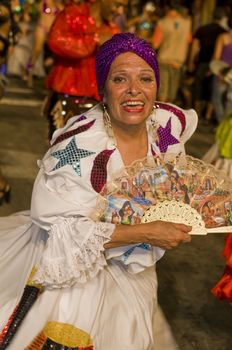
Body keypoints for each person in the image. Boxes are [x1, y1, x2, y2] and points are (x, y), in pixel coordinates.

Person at [0, 33, 198, 349]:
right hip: (75, 272)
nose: (135, 90)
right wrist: (146, 232)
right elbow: (63, 230)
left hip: (137, 270)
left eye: (146, 78)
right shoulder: (78, 148)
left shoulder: (165, 125)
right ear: (102, 89)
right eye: (121, 79)